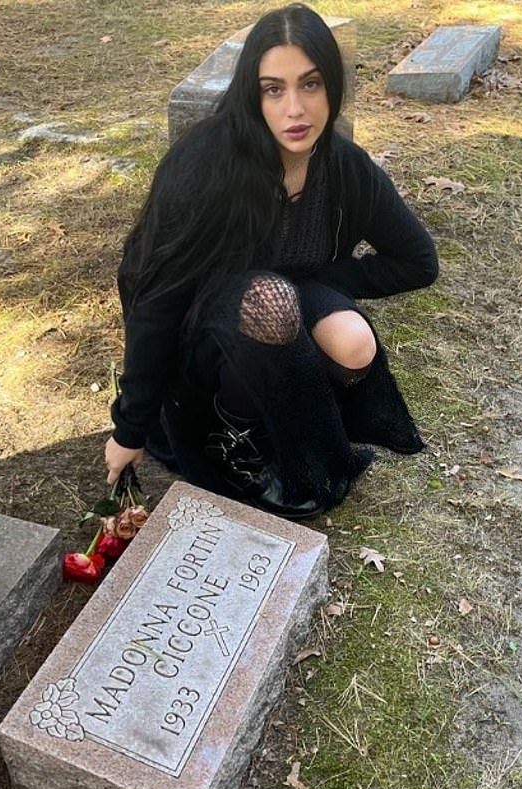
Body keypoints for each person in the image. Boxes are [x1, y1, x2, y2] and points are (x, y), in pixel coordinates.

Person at [104, 3, 438, 519]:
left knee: (353, 341)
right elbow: (155, 298)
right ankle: (234, 443)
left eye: (310, 84)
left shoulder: (346, 170)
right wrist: (131, 425)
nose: (295, 110)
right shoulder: (207, 164)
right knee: (270, 298)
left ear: (332, 86)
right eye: (273, 89)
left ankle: (292, 416)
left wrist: (319, 278)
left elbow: (418, 261)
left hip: (282, 300)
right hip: (201, 328)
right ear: (252, 93)